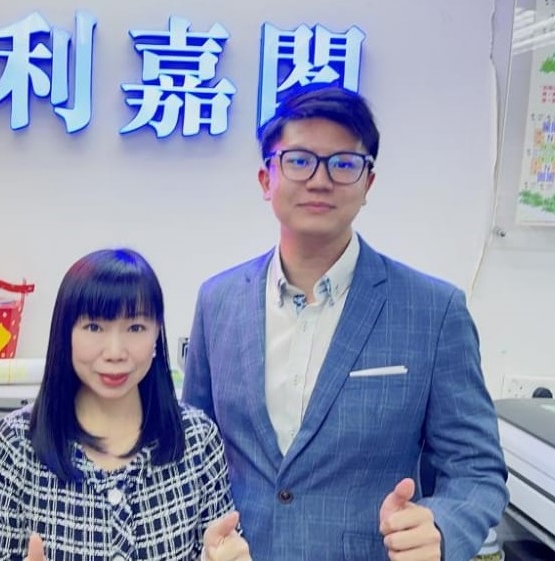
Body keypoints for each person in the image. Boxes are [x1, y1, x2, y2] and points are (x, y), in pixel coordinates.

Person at [181, 85, 509, 561]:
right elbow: (194, 452)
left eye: (343, 163)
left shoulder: (434, 311)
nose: (320, 180)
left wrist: (441, 526)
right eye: (298, 160)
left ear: (367, 183)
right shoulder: (218, 301)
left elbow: (476, 469)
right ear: (266, 179)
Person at [0, 248, 251, 561]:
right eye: (94, 327)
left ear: (156, 334)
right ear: (65, 334)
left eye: (135, 328)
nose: (115, 352)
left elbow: (220, 546)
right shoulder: (15, 445)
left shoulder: (197, 439)